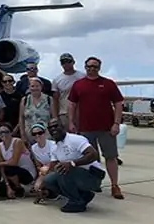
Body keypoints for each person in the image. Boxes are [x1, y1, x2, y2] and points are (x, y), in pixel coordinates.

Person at [68, 56, 124, 200]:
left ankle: (114, 185)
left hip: (106, 128)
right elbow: (72, 104)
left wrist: (116, 123)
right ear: (85, 67)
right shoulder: (78, 85)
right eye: (89, 66)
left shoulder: (108, 84)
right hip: (86, 128)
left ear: (99, 68)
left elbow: (118, 103)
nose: (92, 69)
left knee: (111, 157)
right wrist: (71, 122)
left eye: (95, 66)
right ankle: (95, 183)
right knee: (91, 158)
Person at [42, 120, 106, 213]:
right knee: (48, 180)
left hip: (92, 176)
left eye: (56, 126)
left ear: (63, 126)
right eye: (50, 128)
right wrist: (42, 186)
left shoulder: (75, 139)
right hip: (75, 176)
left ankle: (76, 202)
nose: (53, 129)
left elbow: (93, 154)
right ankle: (83, 195)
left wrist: (72, 163)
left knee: (64, 171)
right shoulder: (54, 146)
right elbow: (53, 166)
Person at [0, 123, 37, 199]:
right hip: (12, 172)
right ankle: (14, 188)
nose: (3, 134)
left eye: (6, 132)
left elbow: (14, 162)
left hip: (27, 172)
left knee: (8, 168)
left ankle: (19, 187)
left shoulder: (17, 142)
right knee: (2, 191)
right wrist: (7, 185)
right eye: (1, 132)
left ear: (11, 132)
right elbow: (2, 168)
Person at [51, 53, 85, 131]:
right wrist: (55, 117)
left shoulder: (83, 76)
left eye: (68, 61)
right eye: (63, 62)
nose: (66, 64)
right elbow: (55, 100)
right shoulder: (57, 80)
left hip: (82, 112)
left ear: (73, 62)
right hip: (64, 113)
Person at [19, 77, 54, 145]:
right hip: (29, 134)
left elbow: (54, 117)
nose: (35, 88)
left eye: (37, 86)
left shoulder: (49, 99)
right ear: (29, 87)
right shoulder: (25, 100)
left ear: (41, 87)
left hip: (46, 133)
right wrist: (22, 134)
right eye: (32, 86)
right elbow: (21, 118)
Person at [30, 122, 59, 204]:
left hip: (56, 168)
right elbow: (38, 164)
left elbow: (55, 161)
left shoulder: (53, 144)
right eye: (34, 134)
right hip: (45, 170)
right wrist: (41, 171)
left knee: (44, 181)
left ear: (45, 133)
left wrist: (46, 170)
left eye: (40, 133)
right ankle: (45, 192)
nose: (37, 135)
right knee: (37, 187)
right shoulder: (33, 147)